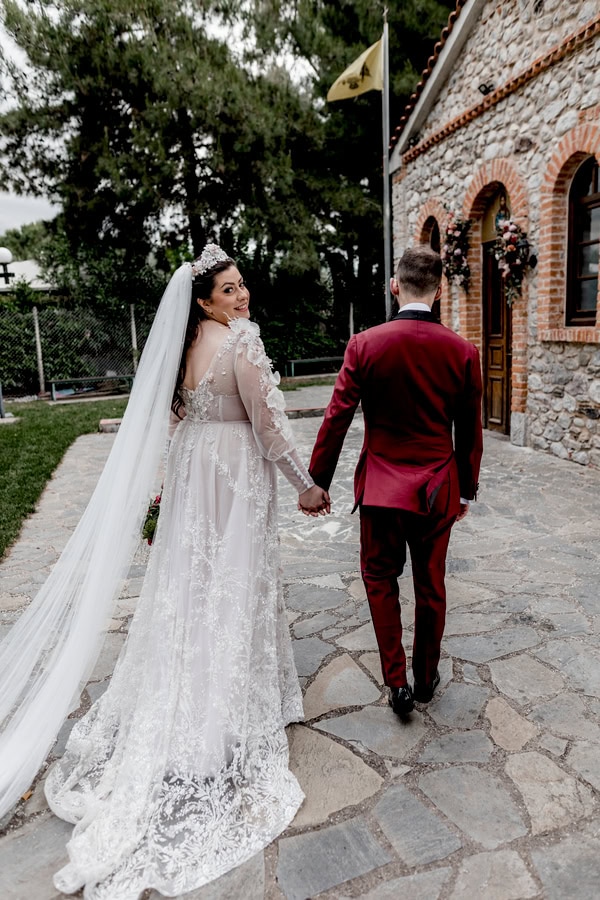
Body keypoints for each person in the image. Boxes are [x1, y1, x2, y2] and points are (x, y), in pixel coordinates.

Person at [0, 245, 329, 899]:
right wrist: (305, 484)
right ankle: (227, 719)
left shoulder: (179, 348)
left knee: (195, 593)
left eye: (243, 286)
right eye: (230, 289)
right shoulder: (243, 343)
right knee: (236, 593)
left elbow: (178, 419)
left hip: (193, 479)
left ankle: (210, 695)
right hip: (235, 481)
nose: (243, 297)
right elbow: (270, 430)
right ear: (205, 298)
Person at [308, 246, 483, 718]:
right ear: (441, 289)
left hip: (382, 489)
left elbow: (337, 416)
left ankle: (397, 683)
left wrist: (317, 480)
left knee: (380, 578)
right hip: (436, 488)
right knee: (431, 585)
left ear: (394, 286)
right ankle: (426, 679)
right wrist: (466, 489)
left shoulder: (364, 344)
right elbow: (469, 431)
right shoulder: (464, 352)